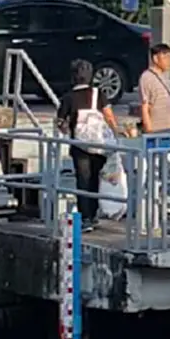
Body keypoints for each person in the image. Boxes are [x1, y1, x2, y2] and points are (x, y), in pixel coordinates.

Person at [56, 59, 120, 232]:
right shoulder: (98, 94)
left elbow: (60, 123)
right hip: (99, 143)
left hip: (80, 145)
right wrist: (115, 134)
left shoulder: (68, 98)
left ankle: (85, 218)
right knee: (94, 179)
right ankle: (93, 214)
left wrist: (67, 129)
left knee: (83, 181)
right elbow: (109, 115)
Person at [139, 43, 170, 136]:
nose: (169, 61)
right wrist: (149, 131)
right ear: (155, 59)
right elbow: (145, 106)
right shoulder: (147, 77)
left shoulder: (165, 77)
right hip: (158, 129)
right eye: (166, 58)